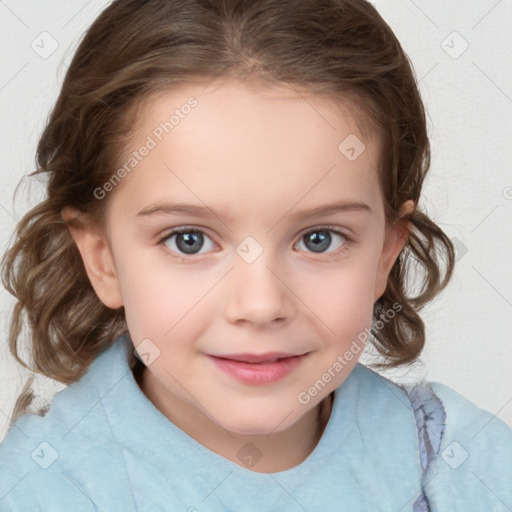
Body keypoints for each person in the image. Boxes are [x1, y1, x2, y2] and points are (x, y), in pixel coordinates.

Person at [0, 0, 510, 510]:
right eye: (189, 240)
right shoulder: (38, 488)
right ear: (102, 258)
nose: (261, 304)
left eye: (319, 239)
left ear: (384, 253)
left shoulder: (465, 468)